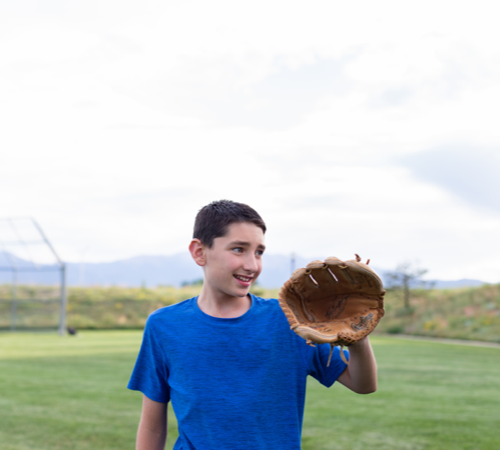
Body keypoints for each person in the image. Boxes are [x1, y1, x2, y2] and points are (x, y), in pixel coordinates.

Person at [128, 200, 378, 450]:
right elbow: (152, 425)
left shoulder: (289, 321)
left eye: (259, 252)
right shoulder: (164, 326)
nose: (252, 265)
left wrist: (359, 338)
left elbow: (363, 384)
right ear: (199, 252)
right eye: (238, 249)